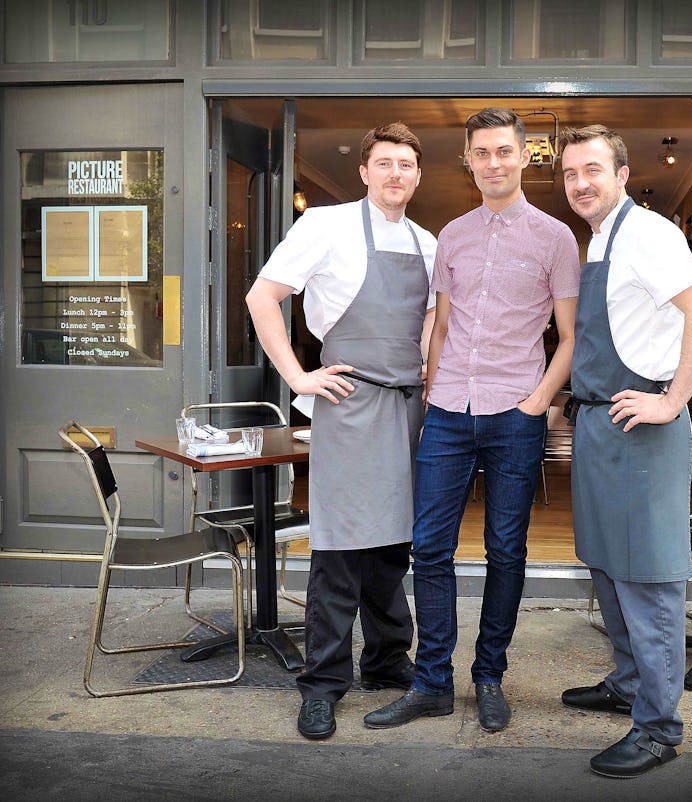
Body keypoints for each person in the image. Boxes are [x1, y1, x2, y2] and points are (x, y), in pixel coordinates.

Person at [364, 107, 580, 733]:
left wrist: (538, 401)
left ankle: (489, 675)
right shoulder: (451, 236)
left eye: (504, 151)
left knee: (506, 551)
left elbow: (570, 336)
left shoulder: (556, 237)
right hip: (451, 413)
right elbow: (443, 325)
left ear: (524, 157)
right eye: (481, 152)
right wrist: (434, 393)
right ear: (468, 160)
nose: (493, 162)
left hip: (516, 412)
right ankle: (432, 681)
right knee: (429, 548)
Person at [245, 122, 437, 741]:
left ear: (418, 174)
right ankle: (323, 683)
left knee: (391, 547)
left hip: (409, 406)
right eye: (384, 163)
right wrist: (298, 376)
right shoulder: (324, 225)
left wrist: (432, 381)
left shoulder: (428, 243)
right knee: (339, 551)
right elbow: (261, 296)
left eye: (406, 164)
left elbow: (430, 325)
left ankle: (386, 662)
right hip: (349, 404)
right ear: (364, 171)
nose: (396, 174)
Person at [556, 125, 692, 778]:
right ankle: (627, 682)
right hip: (602, 425)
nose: (580, 183)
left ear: (622, 174)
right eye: (571, 173)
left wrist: (669, 399)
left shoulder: (650, 233)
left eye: (593, 169)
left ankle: (658, 726)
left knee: (648, 580)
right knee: (606, 565)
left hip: (643, 429)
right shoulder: (602, 239)